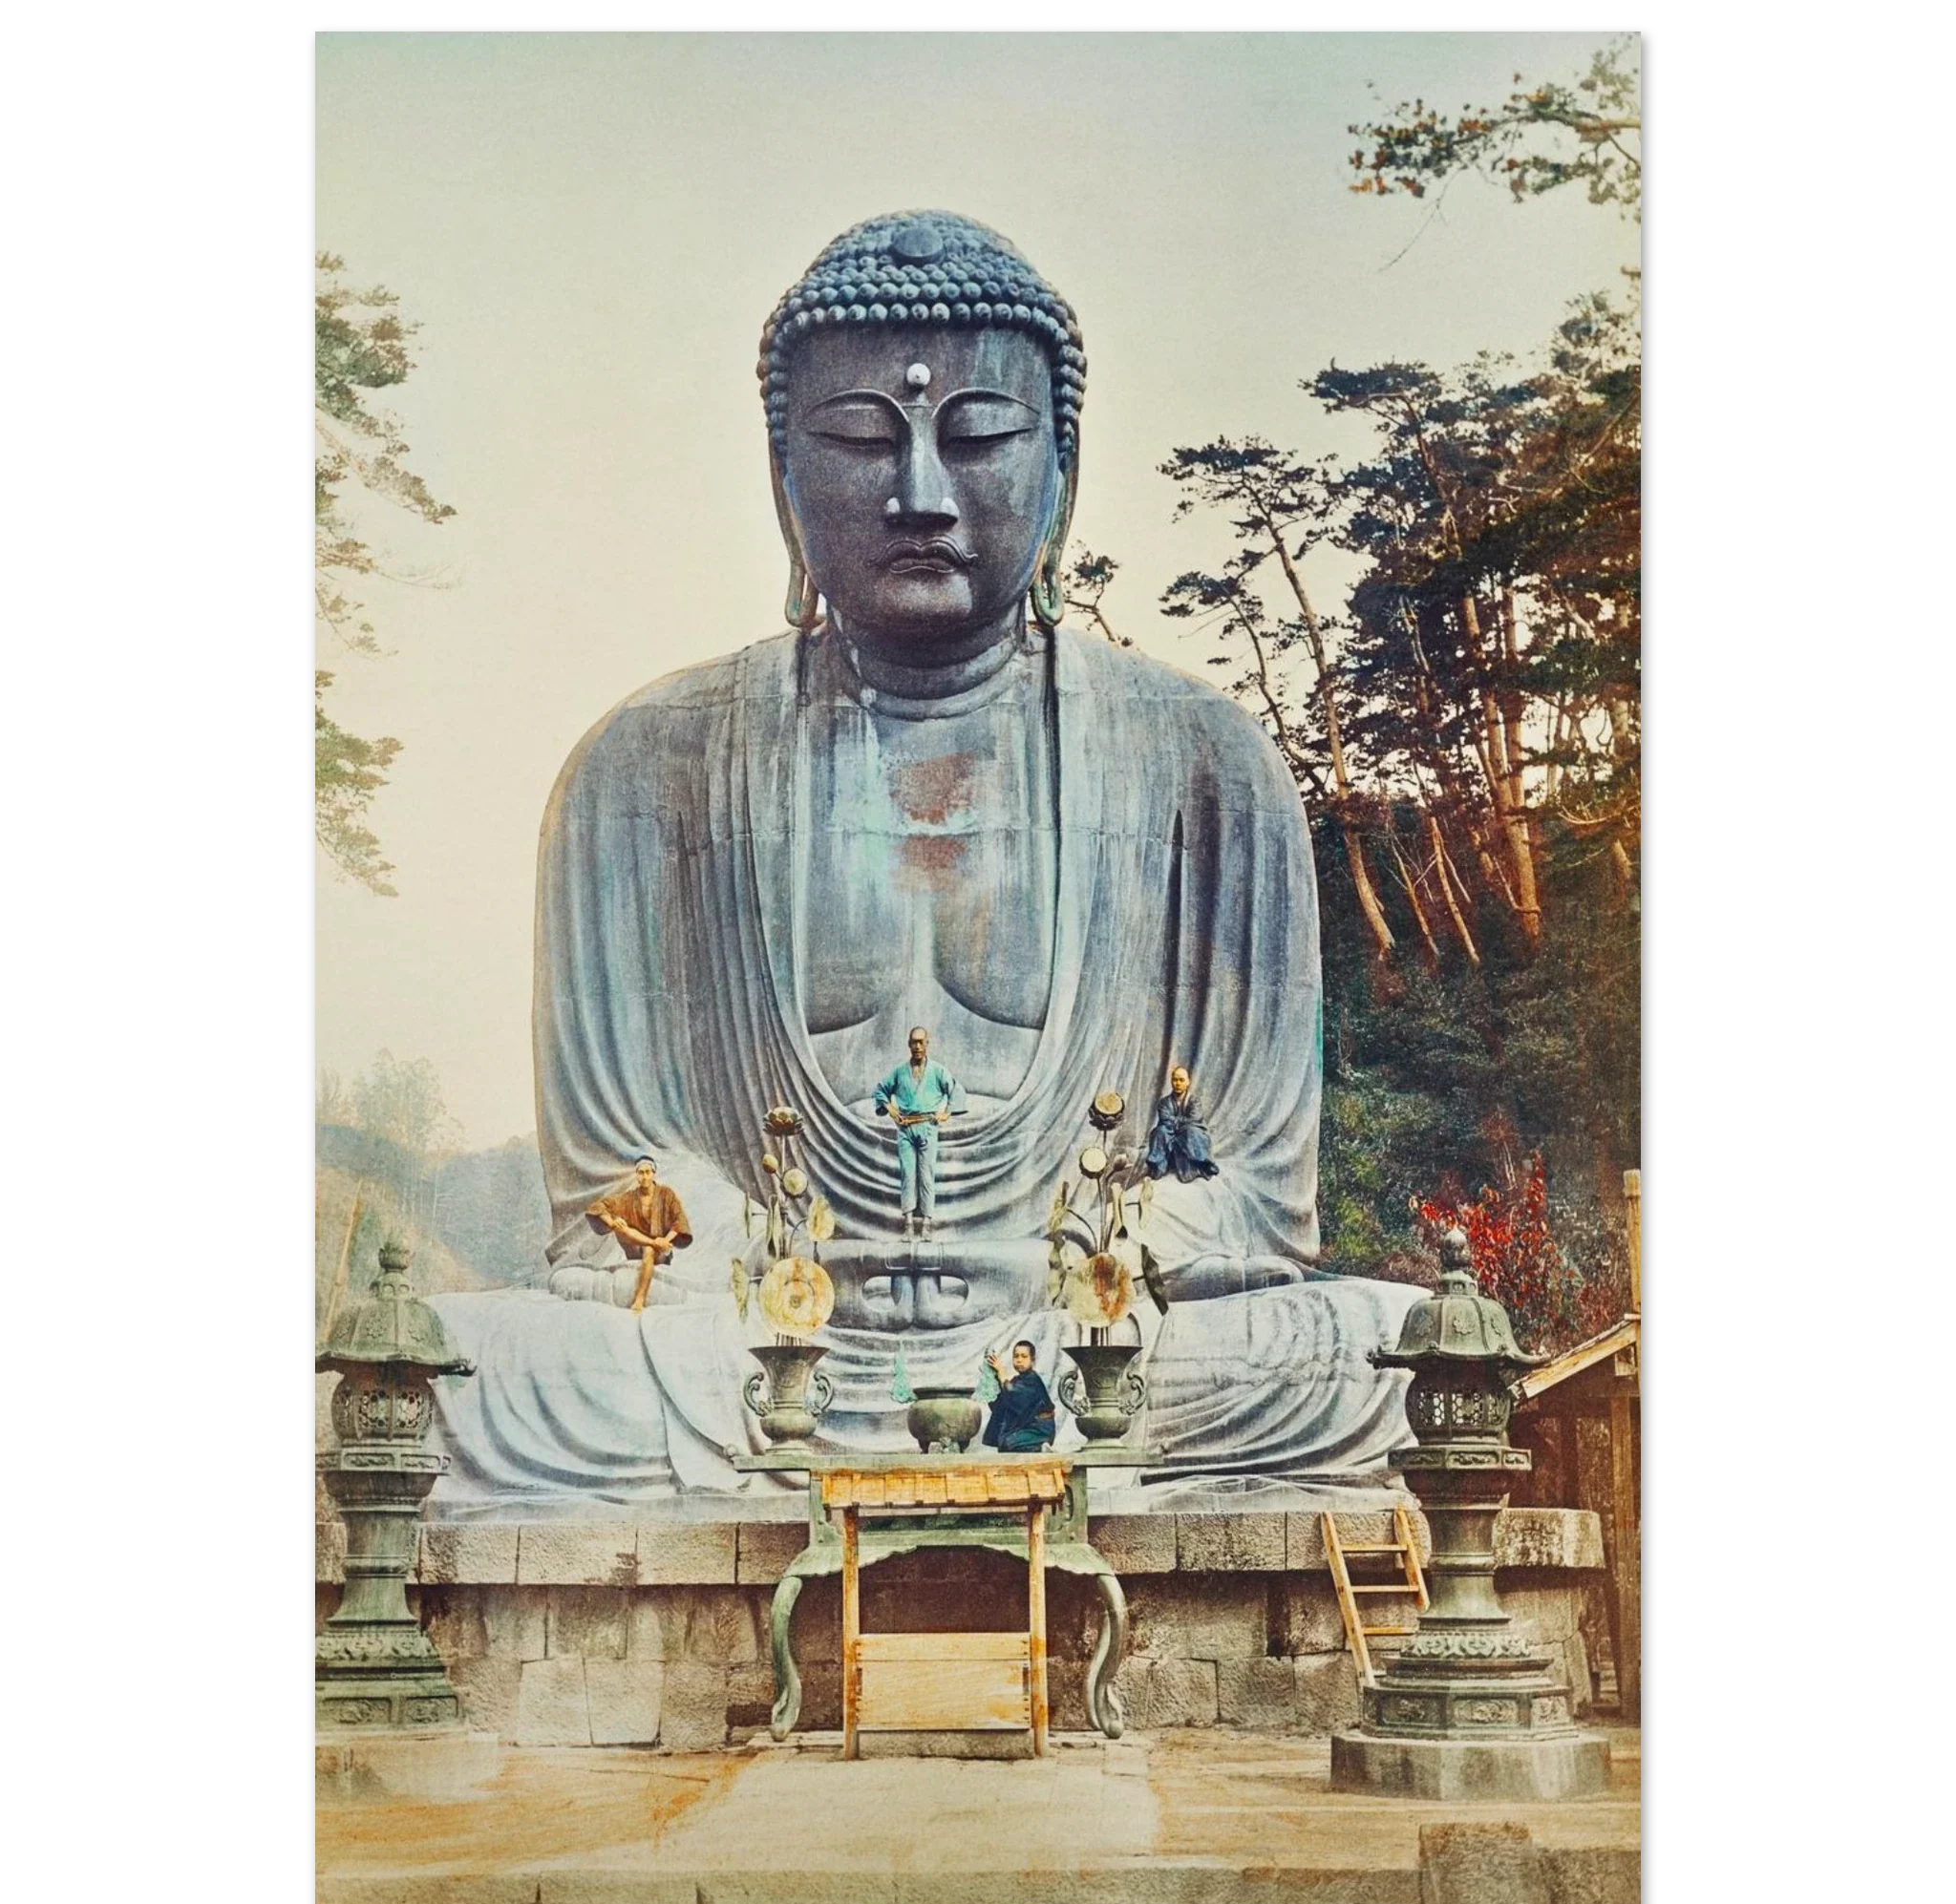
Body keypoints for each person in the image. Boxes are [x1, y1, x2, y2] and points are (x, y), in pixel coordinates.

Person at [425, 210, 1429, 1507]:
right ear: (782, 474)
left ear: (1062, 466)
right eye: (857, 440)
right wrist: (759, 1275)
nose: (919, 495)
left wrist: (1101, 1260)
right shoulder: (642, 767)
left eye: (979, 436)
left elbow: (1257, 1195)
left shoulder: (1203, 762)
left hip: (1094, 1342)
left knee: (1383, 1351)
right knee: (457, 1367)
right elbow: (616, 1189)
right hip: (754, 1354)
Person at [872, 1026, 967, 1238]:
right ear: (908, 1044)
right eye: (913, 1042)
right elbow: (880, 1091)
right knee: (908, 1174)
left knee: (926, 1175)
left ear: (927, 1044)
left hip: (928, 1128)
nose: (917, 1046)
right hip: (905, 1129)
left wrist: (947, 1113)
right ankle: (908, 1225)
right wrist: (891, 1110)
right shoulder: (899, 1072)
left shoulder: (937, 1071)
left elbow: (956, 1090)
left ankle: (926, 1224)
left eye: (921, 1042)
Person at [585, 1153, 692, 1315]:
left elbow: (680, 1220)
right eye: (641, 1173)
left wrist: (665, 1240)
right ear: (636, 1175)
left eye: (648, 1172)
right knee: (620, 1227)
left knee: (649, 1250)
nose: (644, 1177)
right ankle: (651, 1243)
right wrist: (612, 1222)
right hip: (636, 1247)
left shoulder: (666, 1194)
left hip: (660, 1251)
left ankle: (639, 1300)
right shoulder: (628, 1198)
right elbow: (597, 1207)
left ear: (654, 1173)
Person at [1143, 1066, 1220, 1184]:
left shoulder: (1194, 1101)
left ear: (1188, 1082)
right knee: (1160, 1131)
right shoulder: (1164, 1102)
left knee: (1191, 1131)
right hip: (1169, 1132)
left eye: (1181, 1080)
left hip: (1188, 1131)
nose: (1178, 1083)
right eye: (1175, 1080)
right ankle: (1158, 1168)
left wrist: (1177, 1123)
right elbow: (1165, 1119)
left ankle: (1202, 1165)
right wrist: (1182, 1123)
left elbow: (1194, 1118)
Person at [982, 1341, 1055, 1452]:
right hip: (1024, 1426)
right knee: (1003, 1442)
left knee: (1007, 1443)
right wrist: (993, 1377)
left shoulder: (1033, 1379)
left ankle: (1040, 1448)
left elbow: (1012, 1394)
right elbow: (1001, 1404)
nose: (1019, 1360)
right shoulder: (1016, 1381)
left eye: (1024, 1356)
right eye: (1016, 1356)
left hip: (1039, 1430)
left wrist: (1001, 1372)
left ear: (1032, 1361)